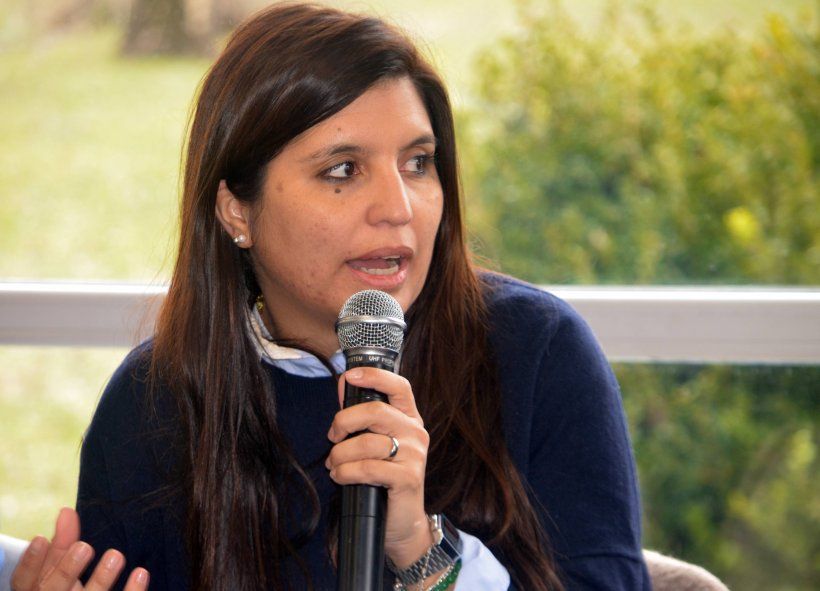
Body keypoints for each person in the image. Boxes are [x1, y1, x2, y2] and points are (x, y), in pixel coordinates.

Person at [12, 3, 650, 590]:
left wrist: (421, 551)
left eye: (418, 163)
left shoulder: (535, 353)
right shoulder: (153, 404)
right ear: (237, 211)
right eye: (343, 170)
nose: (398, 208)